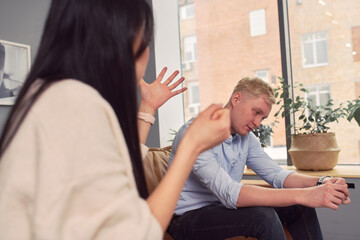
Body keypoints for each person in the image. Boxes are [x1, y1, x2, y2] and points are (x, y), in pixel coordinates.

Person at [0, 0, 231, 239]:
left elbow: (122, 164)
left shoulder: (48, 95)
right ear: (124, 40)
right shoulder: (75, 102)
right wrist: (191, 145)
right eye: (145, 38)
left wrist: (148, 108)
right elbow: (138, 233)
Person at [167, 77, 351, 240]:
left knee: (299, 206)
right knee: (263, 216)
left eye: (263, 118)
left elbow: (278, 175)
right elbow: (230, 193)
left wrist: (321, 182)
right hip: (186, 218)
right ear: (236, 99)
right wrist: (305, 194)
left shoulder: (246, 138)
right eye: (256, 112)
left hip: (221, 209)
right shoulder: (194, 133)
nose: (257, 123)